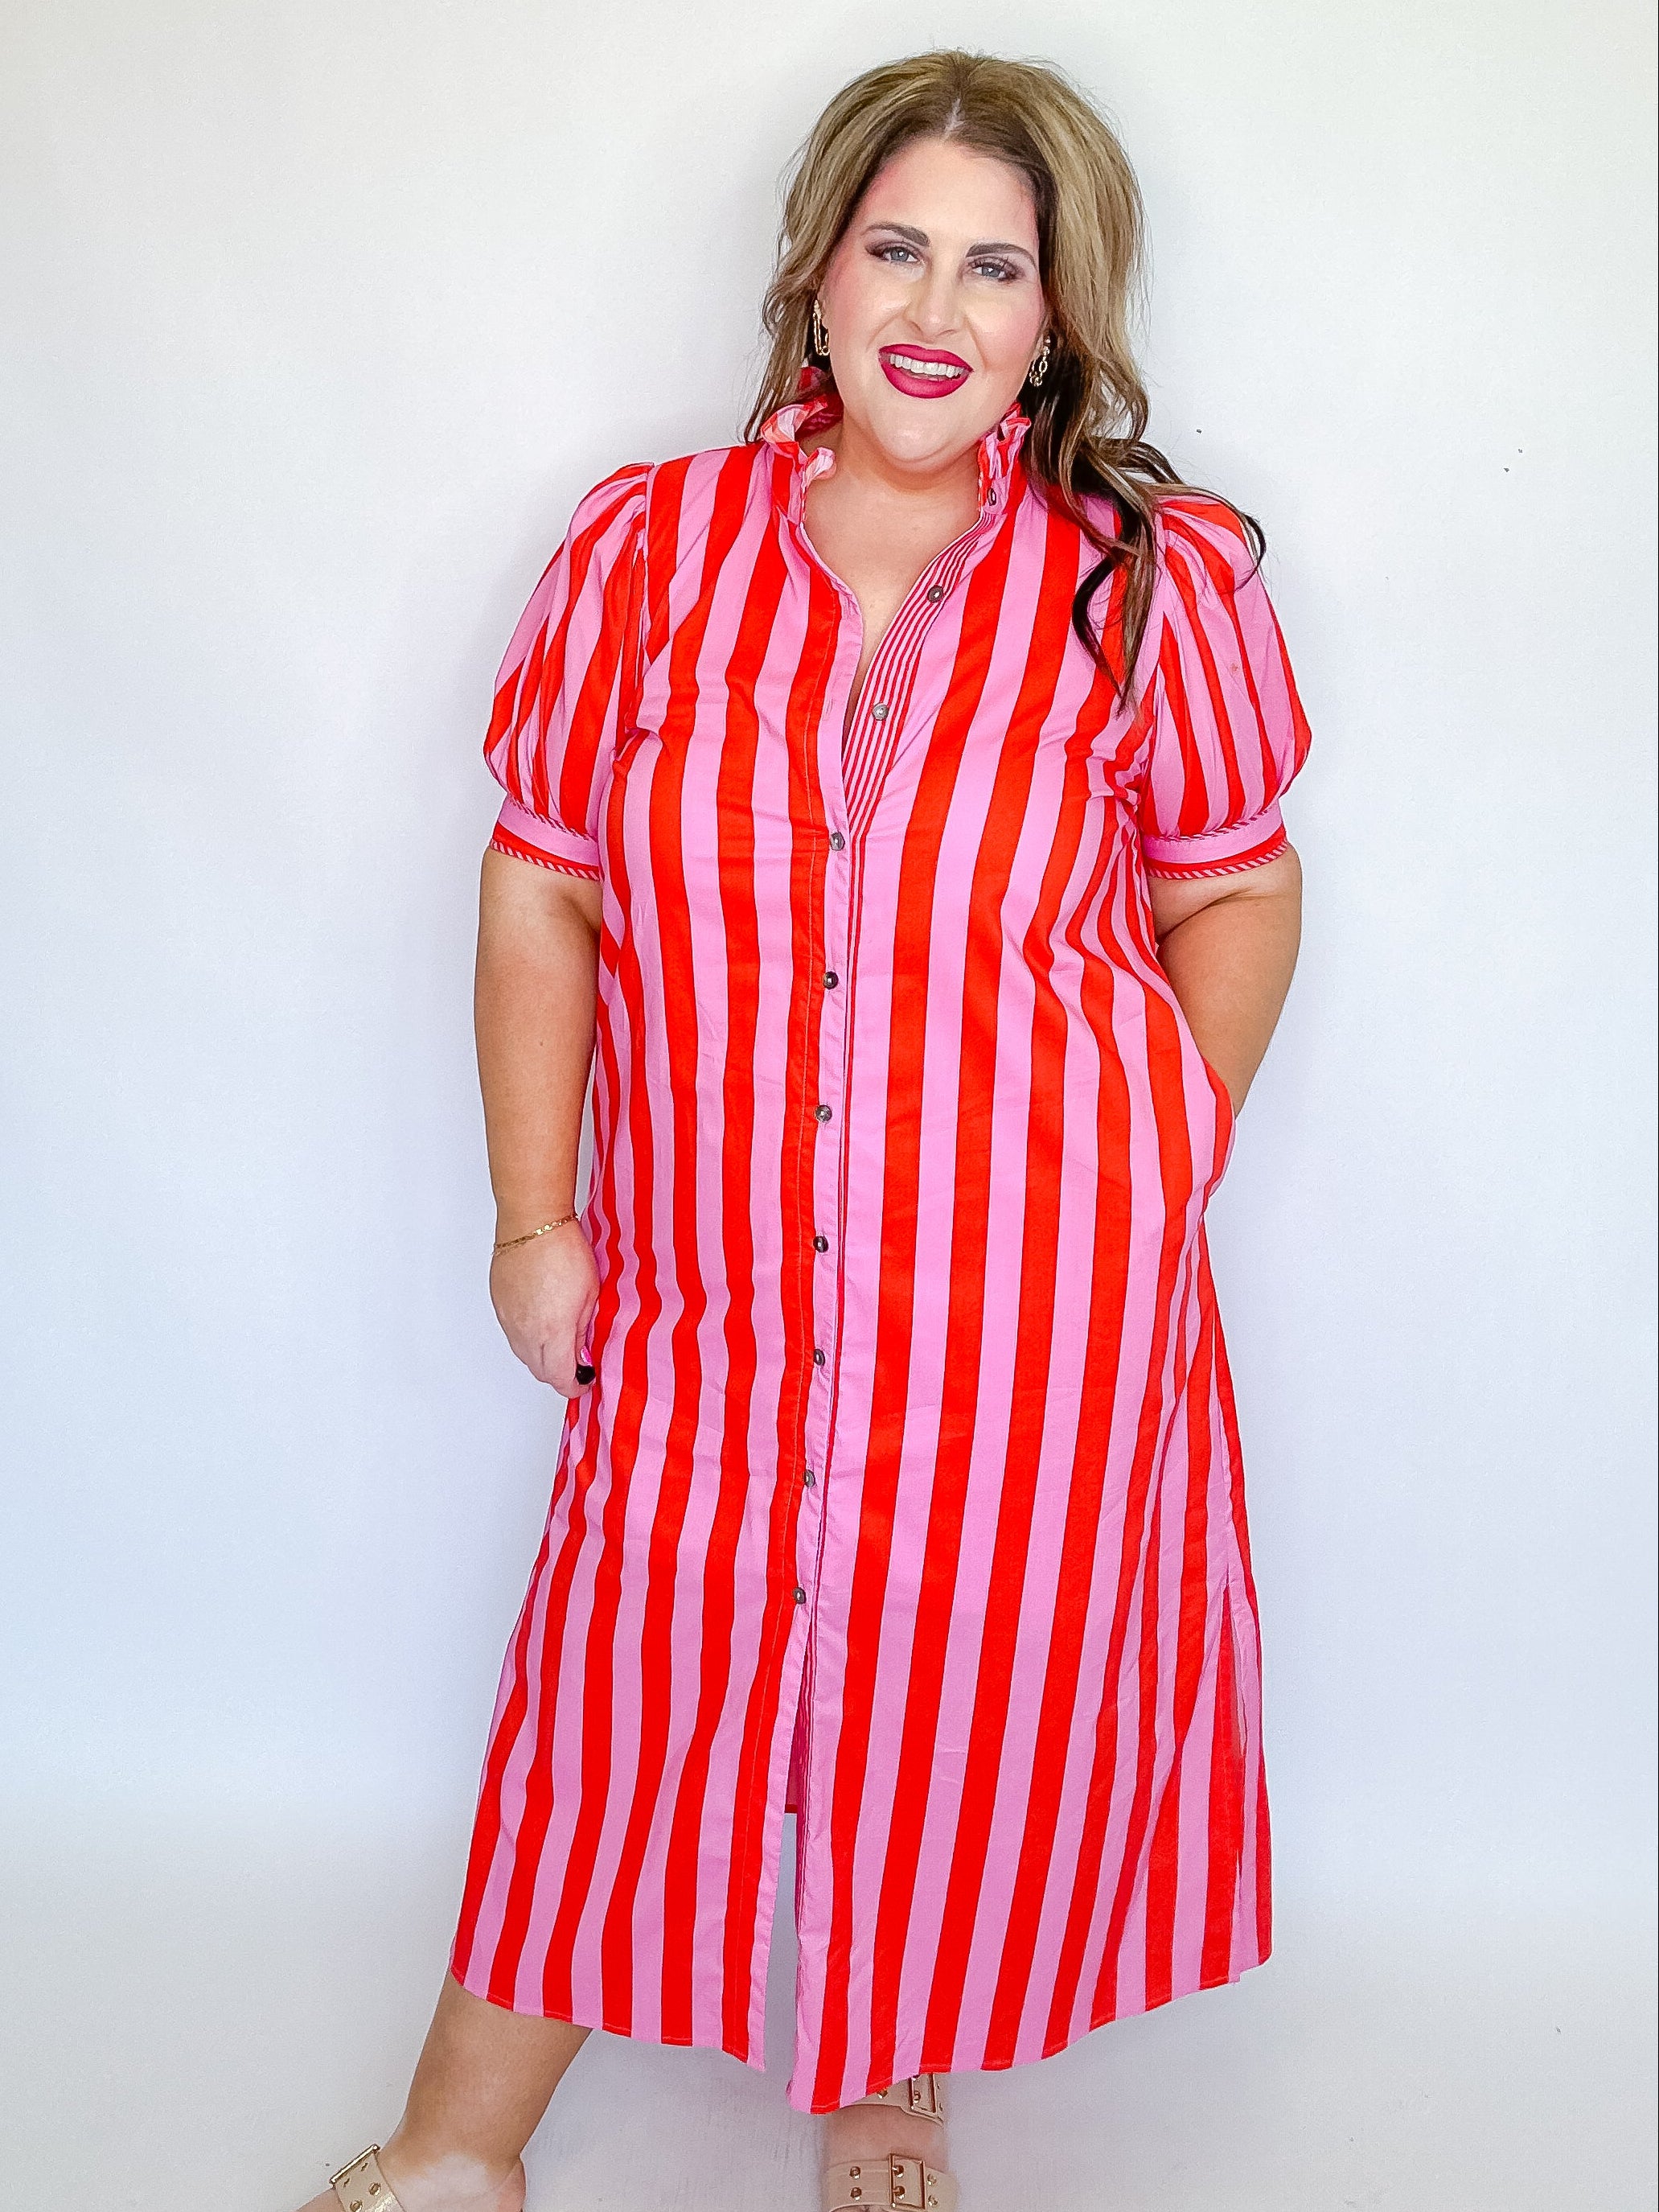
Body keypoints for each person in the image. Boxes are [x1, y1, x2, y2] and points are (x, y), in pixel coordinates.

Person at [302, 46, 1309, 2212]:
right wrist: (532, 1215)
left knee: (952, 1700)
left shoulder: (1149, 583)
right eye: (898, 245)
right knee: (618, 1695)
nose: (938, 302)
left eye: (998, 264)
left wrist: (1163, 1149)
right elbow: (545, 881)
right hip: (708, 1279)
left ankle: (892, 2076)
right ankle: (457, 2150)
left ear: (1060, 315)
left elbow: (1233, 879)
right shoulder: (648, 552)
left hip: (1021, 1298)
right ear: (821, 272)